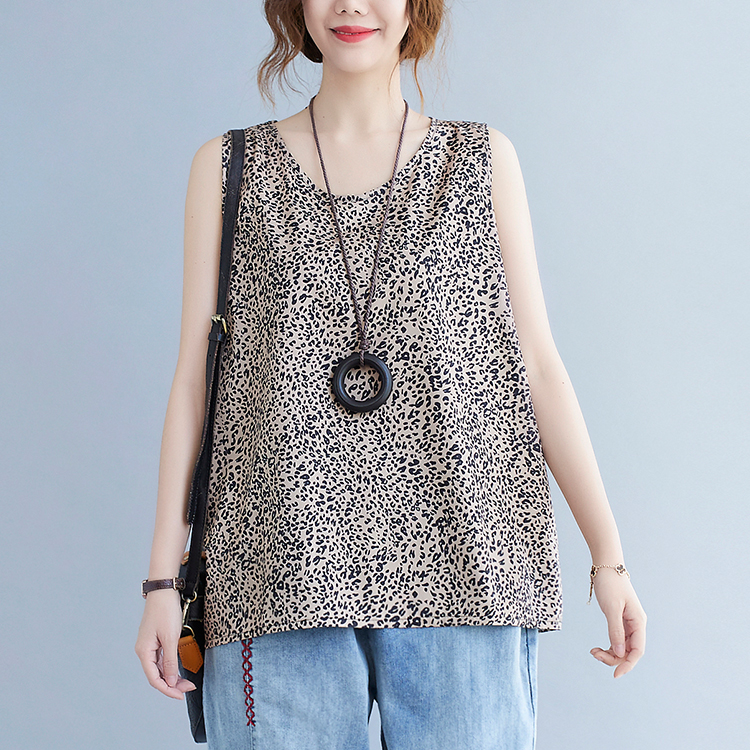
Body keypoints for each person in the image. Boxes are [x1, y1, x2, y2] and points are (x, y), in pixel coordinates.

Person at [135, 1, 647, 748]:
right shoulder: (226, 168)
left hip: (466, 560)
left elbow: (539, 366)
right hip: (276, 566)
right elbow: (193, 382)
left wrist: (609, 558)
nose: (351, 4)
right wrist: (161, 581)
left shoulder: (481, 161)